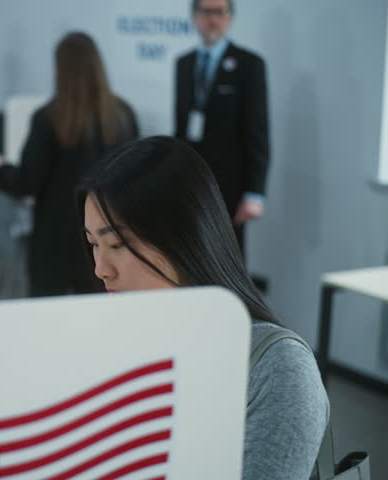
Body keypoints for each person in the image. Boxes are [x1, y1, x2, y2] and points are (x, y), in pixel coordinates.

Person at [78, 136, 328, 480]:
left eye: (117, 244)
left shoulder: (277, 367)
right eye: (93, 244)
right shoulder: (119, 342)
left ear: (183, 238)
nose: (101, 268)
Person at [0, 32, 139, 298]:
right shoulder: (123, 116)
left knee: (47, 323)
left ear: (59, 69)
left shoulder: (48, 119)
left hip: (54, 243)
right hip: (106, 240)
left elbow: (27, 182)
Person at [173, 0, 269, 259]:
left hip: (232, 186)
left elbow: (258, 131)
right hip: (192, 182)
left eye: (220, 12)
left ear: (230, 18)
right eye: (206, 12)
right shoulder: (184, 64)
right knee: (191, 255)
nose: (213, 19)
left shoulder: (249, 65)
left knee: (228, 258)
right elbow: (180, 129)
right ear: (194, 16)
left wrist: (255, 192)